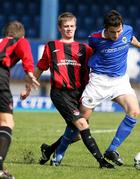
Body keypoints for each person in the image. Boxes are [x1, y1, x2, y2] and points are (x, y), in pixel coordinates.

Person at [21, 12, 114, 169]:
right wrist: (28, 89)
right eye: (66, 26)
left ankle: (48, 150)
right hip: (60, 93)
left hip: (79, 94)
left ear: (76, 27)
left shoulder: (85, 49)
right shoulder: (51, 46)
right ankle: (101, 162)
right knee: (82, 125)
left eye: (71, 26)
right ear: (60, 28)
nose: (69, 29)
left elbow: (95, 71)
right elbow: (40, 68)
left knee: (76, 133)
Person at [79, 10, 140, 166]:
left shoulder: (127, 30)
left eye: (119, 31)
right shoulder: (94, 39)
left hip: (120, 81)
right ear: (106, 28)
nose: (116, 35)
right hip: (99, 81)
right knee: (80, 122)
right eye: (113, 32)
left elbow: (129, 38)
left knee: (134, 111)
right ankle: (56, 150)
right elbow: (87, 54)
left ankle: (111, 150)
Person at [0, 21, 39, 179]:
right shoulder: (19, 40)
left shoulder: (1, 41)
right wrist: (30, 72)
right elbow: (25, 53)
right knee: (7, 123)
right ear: (21, 35)